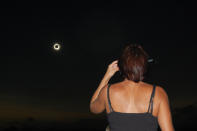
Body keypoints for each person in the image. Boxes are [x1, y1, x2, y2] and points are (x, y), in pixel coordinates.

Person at [90, 44, 175, 131]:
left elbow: (93, 108)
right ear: (144, 66)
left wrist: (107, 75)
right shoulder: (158, 93)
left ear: (121, 66)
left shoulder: (108, 91)